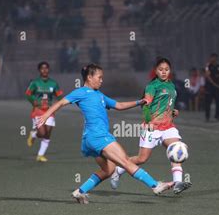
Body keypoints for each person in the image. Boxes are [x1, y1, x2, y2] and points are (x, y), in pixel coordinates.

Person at [37, 64, 172, 204]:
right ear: (89, 77)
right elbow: (60, 103)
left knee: (108, 170)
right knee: (125, 161)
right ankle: (155, 186)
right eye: (99, 77)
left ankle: (80, 192)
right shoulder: (81, 92)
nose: (102, 80)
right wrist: (46, 115)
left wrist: (139, 102)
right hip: (99, 137)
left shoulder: (99, 94)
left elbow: (118, 106)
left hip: (90, 139)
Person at [110, 57, 192, 194]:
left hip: (168, 127)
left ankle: (177, 183)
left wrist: (172, 111)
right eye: (161, 70)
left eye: (166, 69)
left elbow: (166, 104)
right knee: (141, 158)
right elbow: (146, 107)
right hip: (152, 128)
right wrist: (149, 123)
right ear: (155, 71)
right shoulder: (152, 86)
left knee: (176, 149)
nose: (164, 72)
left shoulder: (171, 85)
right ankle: (118, 170)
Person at [25, 62, 64, 162]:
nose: (44, 70)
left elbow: (59, 95)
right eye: (42, 68)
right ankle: (33, 134)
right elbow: (28, 93)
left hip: (49, 111)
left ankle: (40, 155)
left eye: (46, 68)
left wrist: (64, 100)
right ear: (39, 70)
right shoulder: (35, 82)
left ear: (49, 69)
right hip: (38, 111)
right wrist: (33, 100)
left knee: (47, 134)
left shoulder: (53, 83)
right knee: (42, 133)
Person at [204, 53, 219, 122]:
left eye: (215, 57)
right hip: (210, 87)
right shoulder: (208, 66)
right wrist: (213, 83)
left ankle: (217, 116)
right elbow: (207, 75)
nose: (213, 59)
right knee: (208, 102)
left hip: (218, 87)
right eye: (212, 57)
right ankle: (207, 117)